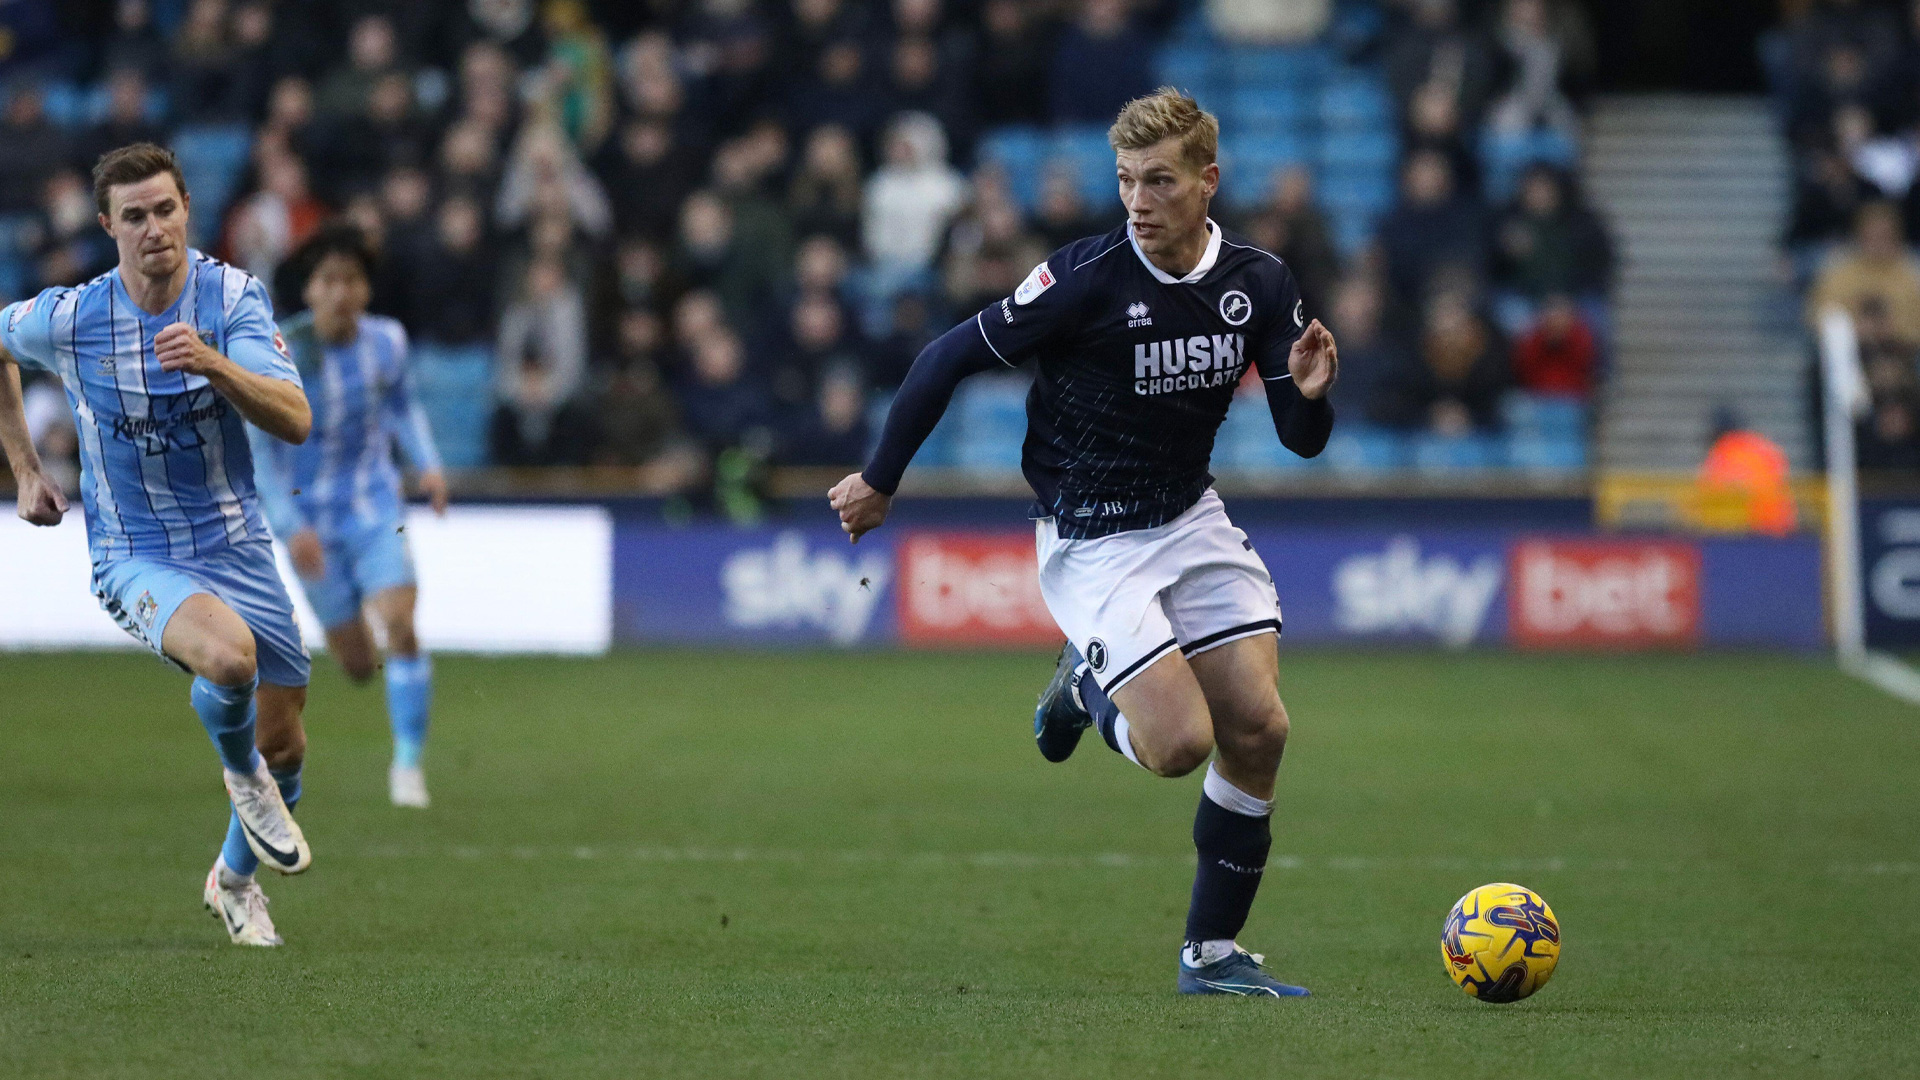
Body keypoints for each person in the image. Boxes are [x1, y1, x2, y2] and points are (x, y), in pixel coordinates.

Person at [829, 89, 1338, 997]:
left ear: (1208, 182)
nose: (1138, 201)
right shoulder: (1084, 278)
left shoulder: (1258, 283)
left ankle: (1211, 956)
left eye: (1159, 181)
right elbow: (946, 356)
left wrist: (1308, 392)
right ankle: (1082, 689)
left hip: (1189, 518)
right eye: (1126, 181)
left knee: (1259, 729)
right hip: (1093, 536)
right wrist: (880, 479)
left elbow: (1302, 438)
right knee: (1180, 743)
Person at [0, 143, 314, 947]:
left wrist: (212, 364)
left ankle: (234, 881)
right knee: (231, 662)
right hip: (135, 552)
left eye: (165, 210)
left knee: (286, 745)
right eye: (133, 216)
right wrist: (24, 470)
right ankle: (237, 772)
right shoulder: (73, 318)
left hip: (239, 545)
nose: (153, 229)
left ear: (187, 213)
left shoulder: (233, 299)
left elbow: (294, 417)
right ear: (107, 226)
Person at [250, 225, 448, 809]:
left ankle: (408, 765)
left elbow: (404, 407)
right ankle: (372, 676)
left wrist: (429, 465)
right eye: (328, 280)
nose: (340, 292)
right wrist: (290, 527)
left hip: (376, 509)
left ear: (365, 290)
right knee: (359, 665)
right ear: (309, 290)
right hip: (310, 525)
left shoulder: (387, 342)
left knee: (402, 624)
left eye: (352, 280)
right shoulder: (276, 353)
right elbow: (259, 455)